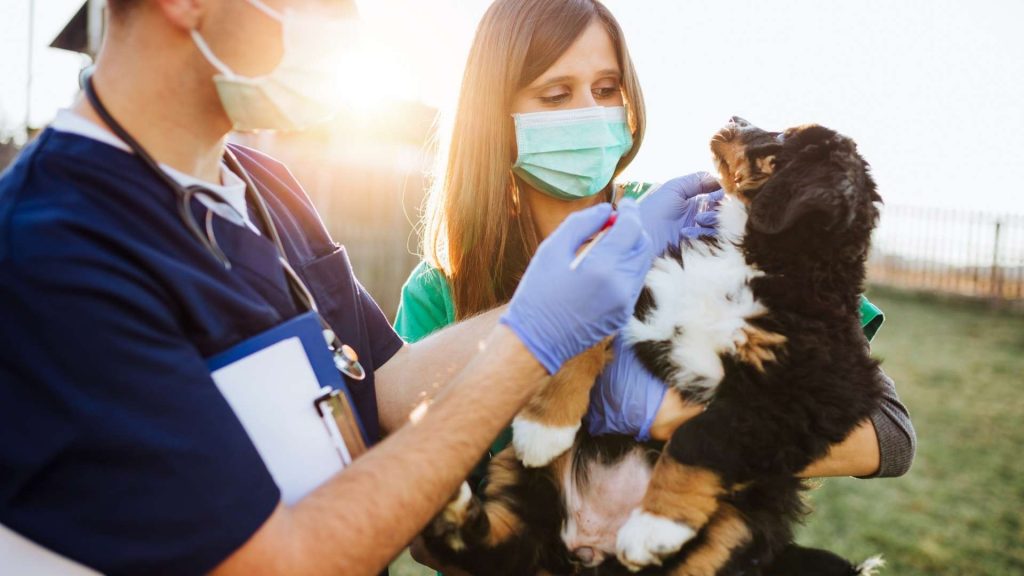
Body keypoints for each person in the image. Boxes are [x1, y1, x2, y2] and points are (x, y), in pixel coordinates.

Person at [0, 1, 709, 575]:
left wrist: (572, 280)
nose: (347, 20)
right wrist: (534, 341)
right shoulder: (53, 254)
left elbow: (385, 385)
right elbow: (278, 564)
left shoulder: (255, 181)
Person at [397, 0, 916, 568]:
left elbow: (888, 435)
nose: (590, 112)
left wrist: (675, 421)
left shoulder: (694, 217)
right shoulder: (440, 293)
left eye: (607, 88)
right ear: (493, 114)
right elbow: (415, 518)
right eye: (555, 95)